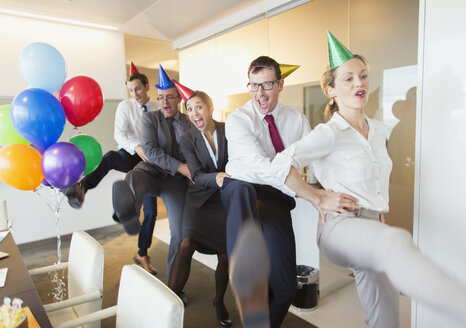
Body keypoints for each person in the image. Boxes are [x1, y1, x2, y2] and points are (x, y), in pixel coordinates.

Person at [268, 31, 466, 327]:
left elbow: (375, 184)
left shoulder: (378, 130)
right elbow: (279, 165)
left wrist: (380, 214)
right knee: (396, 242)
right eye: (348, 78)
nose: (359, 82)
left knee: (386, 320)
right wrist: (317, 197)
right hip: (342, 228)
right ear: (331, 90)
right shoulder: (329, 133)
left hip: (375, 228)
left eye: (362, 75)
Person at [220, 55, 358, 328]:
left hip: (277, 198)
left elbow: (315, 161)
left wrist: (329, 192)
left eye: (267, 85)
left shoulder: (296, 119)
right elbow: (263, 166)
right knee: (242, 190)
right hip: (242, 189)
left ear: (280, 84)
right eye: (253, 85)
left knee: (284, 288)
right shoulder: (238, 119)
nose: (259, 93)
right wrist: (313, 196)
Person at [63, 67, 159, 275]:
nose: (135, 94)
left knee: (151, 212)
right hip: (131, 154)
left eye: (138, 89)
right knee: (110, 157)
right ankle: (82, 187)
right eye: (131, 91)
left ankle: (142, 253)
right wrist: (137, 147)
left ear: (147, 87)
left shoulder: (158, 108)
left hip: (151, 163)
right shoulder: (125, 107)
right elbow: (119, 135)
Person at [112, 65, 193, 278]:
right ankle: (128, 211)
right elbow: (150, 150)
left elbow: (195, 150)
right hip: (152, 170)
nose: (164, 102)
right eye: (161, 97)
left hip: (175, 182)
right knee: (134, 176)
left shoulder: (189, 122)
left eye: (169, 97)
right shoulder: (150, 118)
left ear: (179, 99)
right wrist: (181, 166)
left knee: (179, 232)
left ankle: (175, 282)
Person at [167, 85, 231, 326]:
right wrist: (217, 177)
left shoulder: (228, 130)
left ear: (210, 108)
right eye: (190, 109)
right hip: (198, 199)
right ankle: (169, 299)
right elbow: (195, 173)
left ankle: (219, 301)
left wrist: (227, 178)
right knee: (186, 244)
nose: (194, 113)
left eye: (199, 107)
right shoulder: (187, 138)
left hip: (223, 200)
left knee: (226, 255)